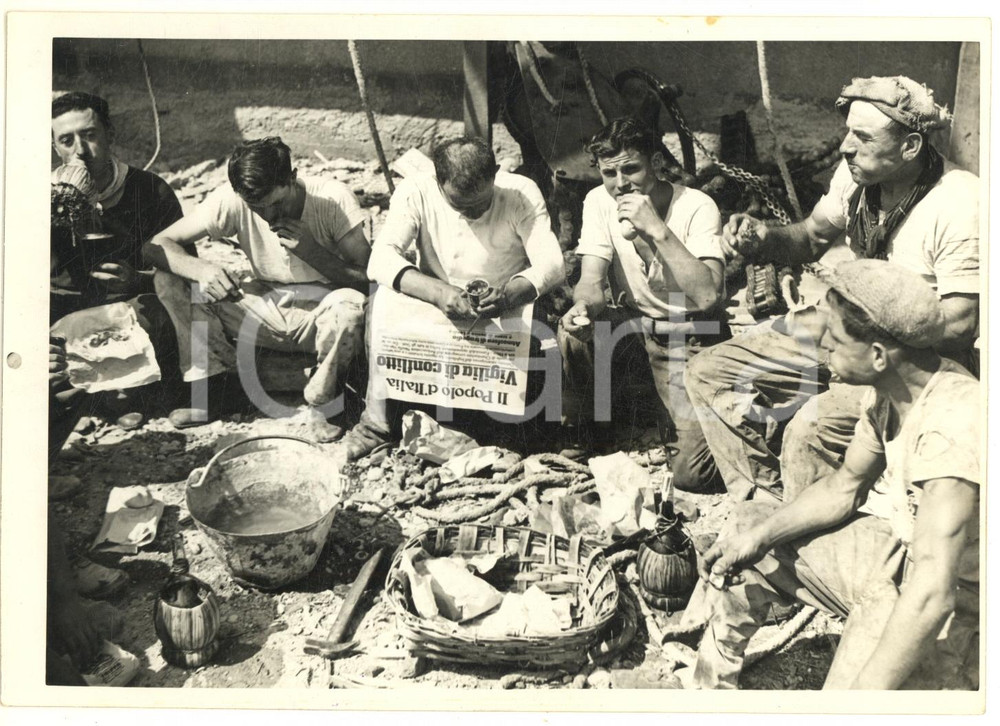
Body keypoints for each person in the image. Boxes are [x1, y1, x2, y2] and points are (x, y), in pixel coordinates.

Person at [687, 259, 979, 690]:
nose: (823, 345)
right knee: (750, 525)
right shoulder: (888, 397)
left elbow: (934, 594)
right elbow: (844, 487)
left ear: (878, 355)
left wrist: (864, 697)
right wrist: (761, 537)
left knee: (851, 695)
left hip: (964, 610)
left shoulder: (950, 424)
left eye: (836, 339)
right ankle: (710, 689)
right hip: (905, 564)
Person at [685, 75, 979, 501]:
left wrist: (863, 347)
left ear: (910, 147)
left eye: (862, 136)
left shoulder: (959, 202)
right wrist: (764, 238)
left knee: (808, 429)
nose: (844, 147)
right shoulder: (856, 174)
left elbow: (958, 326)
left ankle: (803, 540)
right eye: (847, 133)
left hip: (905, 363)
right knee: (708, 372)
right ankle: (760, 509)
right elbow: (811, 237)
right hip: (841, 331)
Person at [339, 136, 565, 459]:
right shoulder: (416, 191)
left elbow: (552, 263)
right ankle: (375, 424)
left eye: (482, 203)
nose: (474, 213)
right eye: (460, 204)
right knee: (379, 304)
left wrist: (508, 294)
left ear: (496, 173)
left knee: (539, 321)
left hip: (501, 306)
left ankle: (512, 431)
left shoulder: (519, 193)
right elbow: (381, 259)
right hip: (437, 301)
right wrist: (438, 292)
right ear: (437, 181)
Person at [145, 137, 370, 429]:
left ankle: (327, 399)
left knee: (350, 308)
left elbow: (370, 279)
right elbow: (155, 245)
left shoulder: (332, 199)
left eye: (277, 203)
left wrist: (314, 253)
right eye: (256, 207)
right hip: (266, 302)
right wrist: (200, 270)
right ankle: (212, 394)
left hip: (323, 307)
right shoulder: (232, 199)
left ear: (293, 177)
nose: (269, 215)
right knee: (172, 280)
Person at [557, 116, 730, 491]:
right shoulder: (599, 201)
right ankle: (592, 431)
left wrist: (657, 230)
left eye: (632, 169)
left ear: (655, 162)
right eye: (609, 173)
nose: (621, 184)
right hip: (637, 328)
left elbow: (706, 295)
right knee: (571, 333)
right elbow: (591, 279)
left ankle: (669, 410)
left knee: (693, 475)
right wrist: (583, 307)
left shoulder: (697, 206)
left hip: (691, 336)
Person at [50, 91, 184, 421]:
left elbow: (184, 273)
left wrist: (138, 278)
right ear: (56, 148)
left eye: (90, 135)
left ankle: (111, 395)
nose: (79, 151)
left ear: (110, 135)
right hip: (62, 312)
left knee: (159, 314)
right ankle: (107, 394)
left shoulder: (148, 190)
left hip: (124, 310)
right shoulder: (41, 197)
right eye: (66, 141)